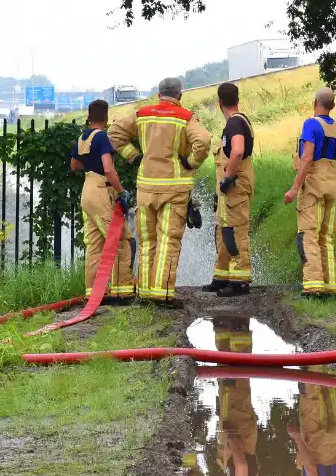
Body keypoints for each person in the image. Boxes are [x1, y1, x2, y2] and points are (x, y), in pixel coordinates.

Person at [109, 77, 210, 308]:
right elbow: (203, 141)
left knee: (146, 241)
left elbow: (114, 133)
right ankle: (162, 294)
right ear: (180, 96)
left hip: (145, 187)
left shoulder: (142, 114)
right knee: (168, 241)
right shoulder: (186, 117)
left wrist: (134, 156)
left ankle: (145, 293)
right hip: (174, 189)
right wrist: (191, 163)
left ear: (158, 94)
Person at [284, 88, 336, 297]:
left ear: (315, 102)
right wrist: (332, 183)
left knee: (308, 236)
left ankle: (313, 286)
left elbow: (307, 158)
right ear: (332, 106)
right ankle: (330, 286)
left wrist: (294, 188)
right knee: (327, 238)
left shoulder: (311, 124)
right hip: (331, 186)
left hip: (312, 188)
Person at [70, 100, 135, 304]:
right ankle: (121, 291)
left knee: (94, 244)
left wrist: (90, 162)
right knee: (120, 239)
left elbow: (74, 165)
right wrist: (121, 191)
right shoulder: (103, 137)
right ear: (106, 118)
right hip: (100, 190)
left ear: (89, 117)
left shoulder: (82, 138)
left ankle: (93, 291)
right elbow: (108, 168)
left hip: (87, 190)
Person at [204, 82, 256, 298]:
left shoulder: (235, 123)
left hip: (234, 187)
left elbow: (237, 152)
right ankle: (222, 277)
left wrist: (227, 178)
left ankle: (240, 281)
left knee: (235, 233)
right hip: (227, 191)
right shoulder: (237, 122)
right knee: (223, 231)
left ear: (220, 103)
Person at [213, 316, 259, 476]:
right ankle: (239, 332)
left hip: (235, 426)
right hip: (239, 430)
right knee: (237, 384)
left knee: (227, 380)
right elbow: (240, 465)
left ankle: (223, 331)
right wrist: (231, 440)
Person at [288, 369, 336, 476]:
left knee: (331, 394)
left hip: (334, 443)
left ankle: (331, 361)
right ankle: (313, 362)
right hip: (315, 443)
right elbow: (311, 469)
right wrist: (297, 438)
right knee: (312, 397)